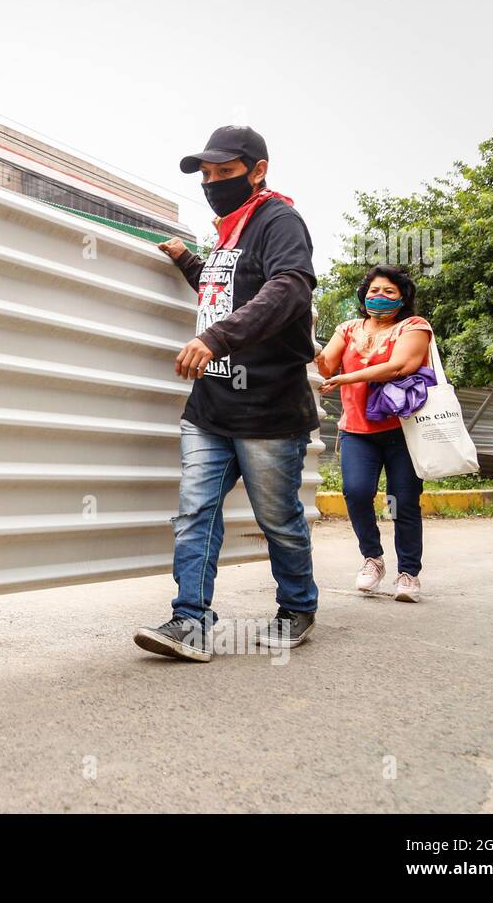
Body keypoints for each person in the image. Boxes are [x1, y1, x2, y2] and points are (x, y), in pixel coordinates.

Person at [133, 126, 320, 662]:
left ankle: (298, 606)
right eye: (207, 176)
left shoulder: (279, 221)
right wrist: (190, 263)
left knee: (277, 519)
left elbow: (287, 288)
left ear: (257, 170)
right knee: (195, 512)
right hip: (210, 408)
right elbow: (229, 292)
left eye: (224, 173)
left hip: (268, 408)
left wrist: (214, 339)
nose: (213, 183)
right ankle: (189, 621)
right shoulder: (228, 232)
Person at [315, 265, 432, 603]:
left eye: (389, 292)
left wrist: (346, 379)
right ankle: (373, 558)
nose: (379, 297)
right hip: (357, 430)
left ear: (403, 298)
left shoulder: (414, 326)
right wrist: (305, 336)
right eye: (373, 291)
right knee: (355, 492)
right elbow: (325, 365)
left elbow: (400, 366)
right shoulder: (348, 328)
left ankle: (409, 572)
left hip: (403, 431)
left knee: (403, 503)